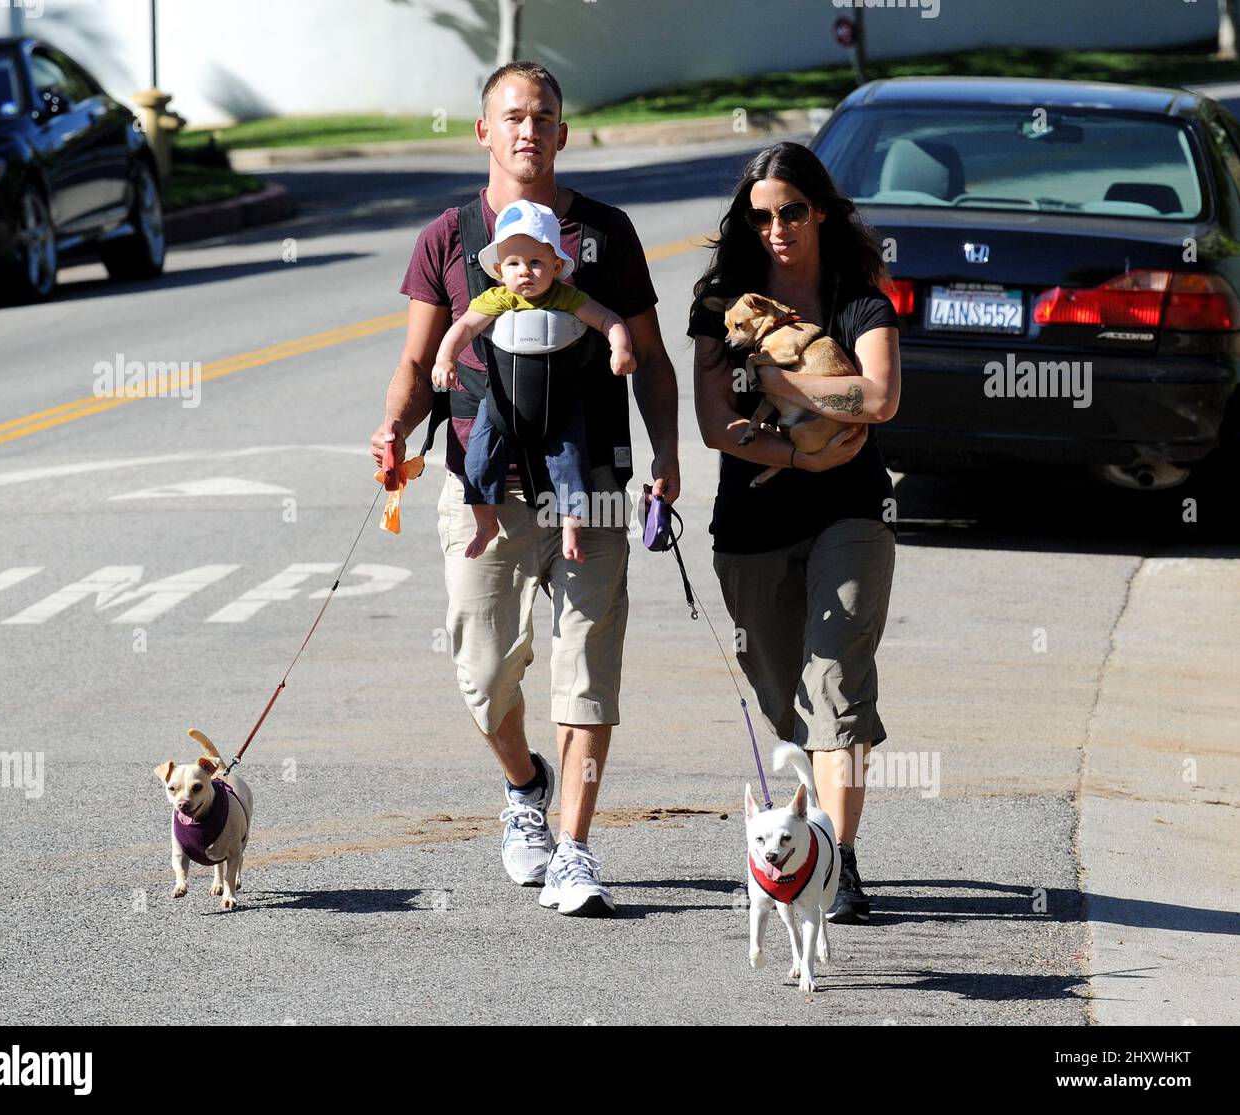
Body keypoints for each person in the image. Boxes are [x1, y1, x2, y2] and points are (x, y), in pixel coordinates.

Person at [373, 61, 679, 917]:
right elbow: (417, 360)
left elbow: (648, 357)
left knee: (586, 672)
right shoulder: (449, 236)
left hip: (595, 489)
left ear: (563, 131)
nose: (528, 130)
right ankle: (524, 784)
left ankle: (576, 848)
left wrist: (666, 454)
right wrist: (395, 429)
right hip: (484, 486)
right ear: (483, 131)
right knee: (481, 673)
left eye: (543, 116)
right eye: (511, 116)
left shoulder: (606, 235)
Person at [688, 141, 901, 924]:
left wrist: (776, 380)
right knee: (788, 705)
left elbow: (876, 399)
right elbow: (716, 423)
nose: (778, 227)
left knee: (835, 686)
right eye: (764, 215)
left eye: (794, 212)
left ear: (821, 211)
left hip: (854, 512)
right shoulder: (721, 302)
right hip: (752, 521)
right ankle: (815, 833)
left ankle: (838, 866)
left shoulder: (858, 297)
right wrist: (793, 453)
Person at [431, 198, 637, 564]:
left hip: (560, 405)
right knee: (476, 462)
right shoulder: (496, 299)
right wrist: (445, 358)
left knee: (571, 462)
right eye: (513, 263)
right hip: (499, 408)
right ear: (498, 270)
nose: (524, 271)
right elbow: (462, 327)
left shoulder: (567, 298)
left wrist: (619, 348)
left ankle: (572, 526)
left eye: (536, 262)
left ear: (557, 266)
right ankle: (486, 523)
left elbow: (609, 319)